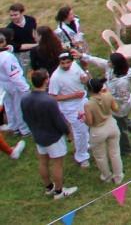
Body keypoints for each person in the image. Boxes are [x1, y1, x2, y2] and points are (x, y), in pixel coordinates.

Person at [21, 70, 77, 199]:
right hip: (53, 137)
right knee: (57, 164)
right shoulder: (49, 101)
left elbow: (25, 117)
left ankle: (49, 187)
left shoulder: (25, 98)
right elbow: (59, 121)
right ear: (46, 81)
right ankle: (59, 192)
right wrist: (68, 133)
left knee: (43, 162)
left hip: (38, 135)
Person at [48, 51, 94, 169]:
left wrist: (85, 77)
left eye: (68, 62)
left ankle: (85, 145)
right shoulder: (55, 77)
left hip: (82, 101)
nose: (65, 65)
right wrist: (72, 96)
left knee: (87, 126)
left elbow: (83, 79)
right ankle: (82, 157)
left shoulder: (75, 66)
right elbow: (53, 96)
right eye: (63, 63)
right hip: (70, 107)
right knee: (80, 131)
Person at [83, 78, 122, 186]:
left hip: (98, 130)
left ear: (89, 90)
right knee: (115, 153)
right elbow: (116, 109)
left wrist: (83, 118)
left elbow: (90, 122)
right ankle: (118, 176)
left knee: (100, 156)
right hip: (111, 125)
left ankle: (107, 176)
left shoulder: (88, 104)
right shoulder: (108, 95)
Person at [0, 32, 30, 139]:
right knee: (19, 107)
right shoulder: (7, 57)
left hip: (2, 84)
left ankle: (14, 127)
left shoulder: (5, 54)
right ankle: (24, 129)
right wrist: (25, 88)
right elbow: (15, 75)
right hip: (13, 84)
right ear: (3, 42)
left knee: (9, 106)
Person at [7, 4, 38, 71]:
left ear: (22, 13)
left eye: (15, 15)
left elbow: (34, 32)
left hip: (34, 50)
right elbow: (19, 47)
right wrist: (37, 45)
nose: (13, 17)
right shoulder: (10, 29)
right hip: (21, 54)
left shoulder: (30, 20)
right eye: (11, 15)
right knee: (23, 72)